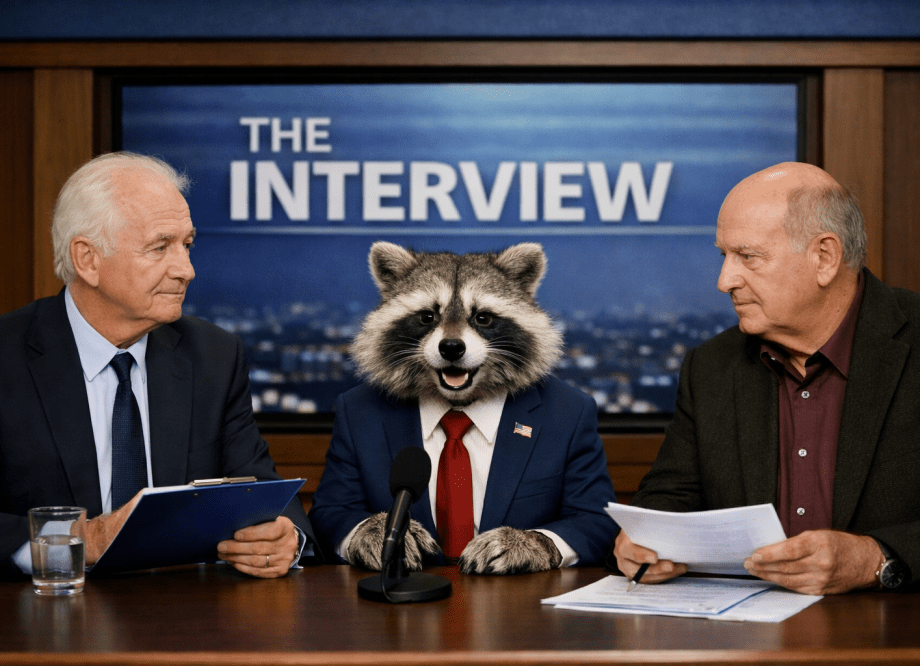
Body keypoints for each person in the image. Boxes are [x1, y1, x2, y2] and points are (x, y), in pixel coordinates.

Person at [0, 152, 320, 579]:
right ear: (88, 259)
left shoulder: (213, 356)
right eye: (160, 247)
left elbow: (263, 493)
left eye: (186, 245)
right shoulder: (8, 356)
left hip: (182, 617)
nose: (186, 270)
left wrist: (285, 540)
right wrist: (81, 541)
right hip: (39, 619)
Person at [613, 162, 920, 595]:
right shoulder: (711, 366)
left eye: (748, 257)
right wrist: (643, 541)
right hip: (748, 638)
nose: (724, 281)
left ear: (825, 257)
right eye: (724, 256)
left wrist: (875, 557)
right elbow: (671, 493)